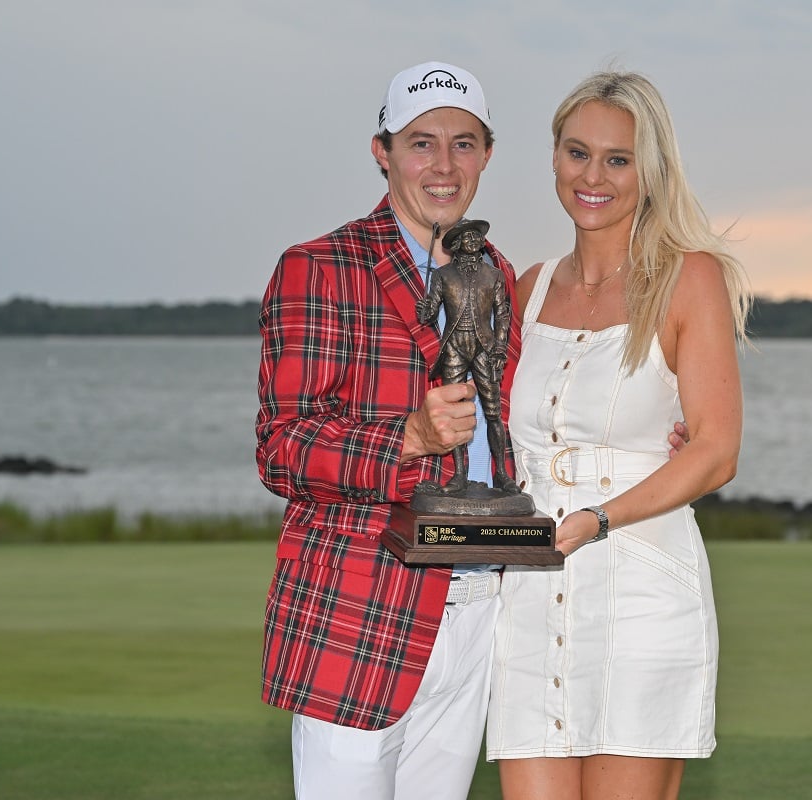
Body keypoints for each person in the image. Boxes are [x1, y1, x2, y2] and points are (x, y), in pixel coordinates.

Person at [486, 70, 752, 800]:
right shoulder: (527, 287)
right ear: (552, 158)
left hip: (640, 589)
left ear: (650, 170)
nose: (592, 176)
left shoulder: (687, 280)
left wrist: (598, 518)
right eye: (578, 153)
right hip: (531, 596)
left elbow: (716, 450)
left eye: (618, 159)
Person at [255, 61, 517, 800]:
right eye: (421, 142)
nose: (443, 164)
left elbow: (514, 413)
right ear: (383, 150)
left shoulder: (494, 268)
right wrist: (408, 438)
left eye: (464, 143)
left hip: (478, 609)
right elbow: (282, 448)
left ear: (487, 154)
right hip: (359, 613)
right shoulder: (318, 267)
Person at [416, 219, 519, 495]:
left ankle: (501, 474)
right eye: (469, 237)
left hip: (484, 346)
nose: (475, 241)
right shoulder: (442, 276)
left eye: (477, 237)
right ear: (458, 244)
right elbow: (429, 313)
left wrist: (499, 348)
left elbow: (503, 315)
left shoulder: (494, 275)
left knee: (493, 410)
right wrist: (424, 309)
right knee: (455, 412)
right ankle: (460, 475)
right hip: (454, 347)